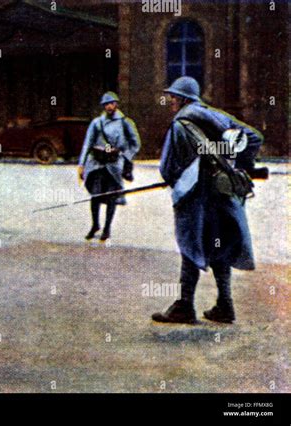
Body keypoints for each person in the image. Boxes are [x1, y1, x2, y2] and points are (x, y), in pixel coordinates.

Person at [152, 76, 263, 324]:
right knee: (219, 245)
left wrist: (180, 181)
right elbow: (254, 138)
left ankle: (184, 306)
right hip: (223, 196)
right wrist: (238, 167)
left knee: (190, 245)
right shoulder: (219, 116)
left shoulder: (180, 123)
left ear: (182, 98)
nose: (170, 100)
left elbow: (167, 167)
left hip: (196, 199)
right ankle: (225, 305)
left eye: (173, 96)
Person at [77, 91, 141, 241]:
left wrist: (124, 156)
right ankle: (95, 225)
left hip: (114, 164)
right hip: (97, 163)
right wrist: (81, 164)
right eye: (106, 104)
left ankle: (107, 228)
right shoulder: (96, 123)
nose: (109, 106)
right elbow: (88, 143)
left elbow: (135, 144)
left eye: (111, 103)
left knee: (112, 197)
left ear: (116, 104)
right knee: (95, 195)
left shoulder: (125, 122)